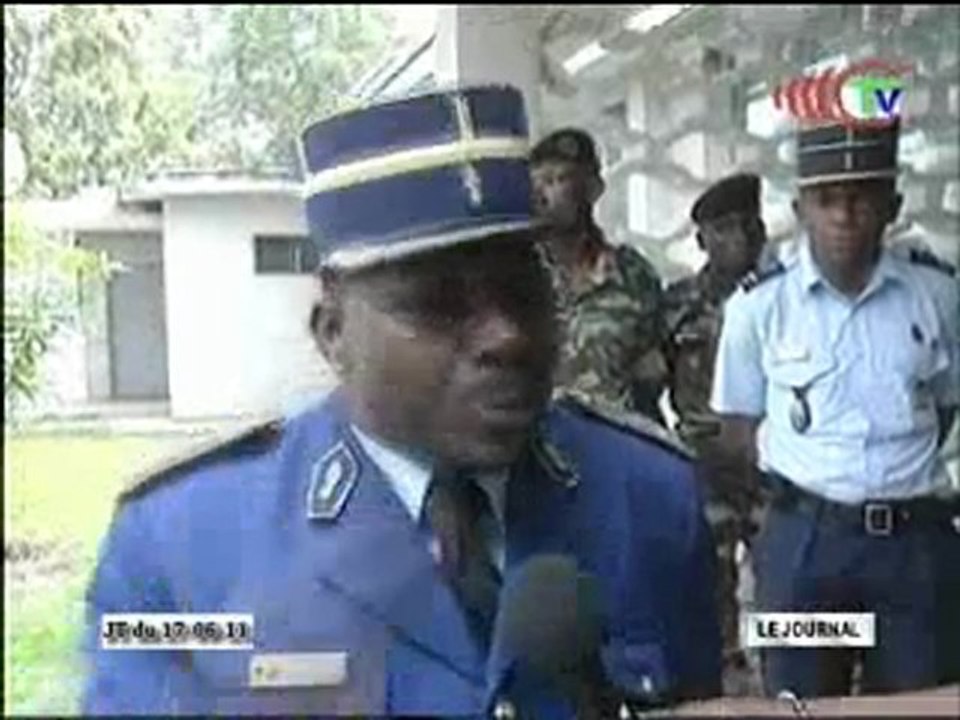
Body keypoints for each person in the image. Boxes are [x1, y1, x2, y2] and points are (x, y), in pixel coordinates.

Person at [81, 85, 722, 716]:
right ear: (333, 332)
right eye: (437, 304)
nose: (506, 336)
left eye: (526, 291)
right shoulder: (176, 543)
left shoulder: (650, 497)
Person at [710, 118, 960, 698]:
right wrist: (784, 519)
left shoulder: (939, 295)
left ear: (892, 207)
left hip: (913, 553)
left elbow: (947, 406)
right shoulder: (757, 306)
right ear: (800, 211)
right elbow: (736, 430)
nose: (844, 216)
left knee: (918, 704)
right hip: (803, 553)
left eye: (861, 199)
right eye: (826, 201)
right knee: (801, 704)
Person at [662, 173, 769, 683]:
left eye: (750, 225)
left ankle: (792, 674)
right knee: (708, 579)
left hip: (775, 462)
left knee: (788, 578)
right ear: (702, 240)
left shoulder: (787, 297)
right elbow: (650, 378)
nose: (741, 238)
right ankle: (724, 676)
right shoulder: (676, 304)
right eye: (725, 228)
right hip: (703, 462)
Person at [530, 128, 668, 425]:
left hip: (618, 440)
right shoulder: (517, 276)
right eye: (536, 183)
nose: (542, 195)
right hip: (540, 444)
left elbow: (653, 372)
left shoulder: (632, 276)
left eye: (557, 180)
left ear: (593, 188)